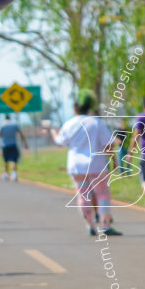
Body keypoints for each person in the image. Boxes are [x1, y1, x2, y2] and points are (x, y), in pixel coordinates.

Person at [51, 93, 121, 236]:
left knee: (83, 195)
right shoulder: (96, 123)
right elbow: (108, 144)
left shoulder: (69, 124)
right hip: (97, 166)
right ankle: (106, 226)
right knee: (102, 195)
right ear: (89, 108)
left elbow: (60, 141)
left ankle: (90, 225)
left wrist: (53, 133)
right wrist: (114, 160)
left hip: (77, 167)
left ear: (75, 110)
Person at [0, 114, 28, 181]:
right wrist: (25, 143)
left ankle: (6, 174)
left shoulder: (2, 125)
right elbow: (21, 134)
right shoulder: (14, 125)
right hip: (13, 145)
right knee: (14, 160)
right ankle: (14, 174)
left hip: (5, 145)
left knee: (6, 160)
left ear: (5, 119)